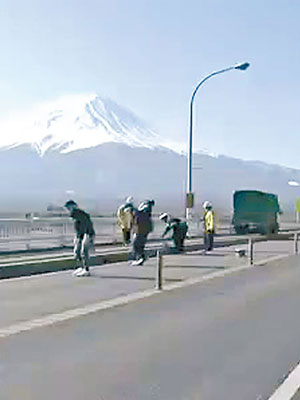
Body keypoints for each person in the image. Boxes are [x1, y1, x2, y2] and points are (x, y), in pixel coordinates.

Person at [64, 200, 95, 277]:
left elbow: (87, 224)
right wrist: (78, 237)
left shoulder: (80, 214)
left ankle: (86, 269)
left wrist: (87, 235)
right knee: (77, 251)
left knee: (84, 251)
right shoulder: (74, 215)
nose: (68, 209)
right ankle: (81, 267)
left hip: (87, 233)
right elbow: (78, 227)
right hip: (80, 235)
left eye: (69, 207)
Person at [131, 200, 155, 266]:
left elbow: (136, 217)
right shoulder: (147, 215)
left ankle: (140, 258)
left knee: (136, 245)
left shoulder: (141, 215)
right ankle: (141, 257)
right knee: (140, 245)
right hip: (144, 232)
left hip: (140, 232)